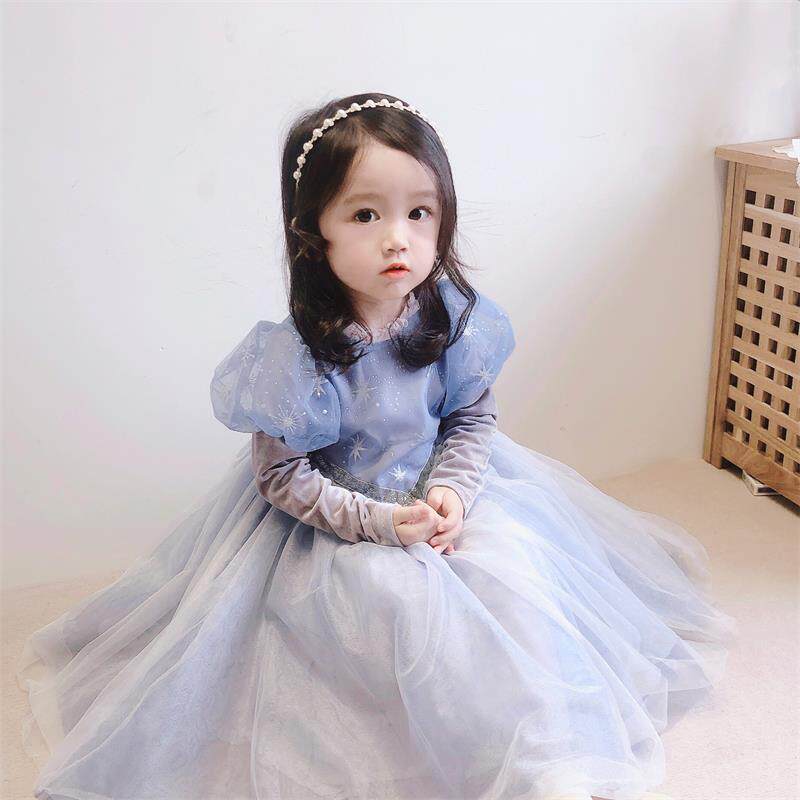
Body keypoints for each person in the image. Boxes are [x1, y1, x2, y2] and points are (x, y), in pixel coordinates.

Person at [16, 92, 737, 800]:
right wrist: (383, 523)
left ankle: (543, 754)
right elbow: (284, 478)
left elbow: (471, 419)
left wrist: (451, 492)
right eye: (365, 215)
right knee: (386, 606)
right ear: (314, 232)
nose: (398, 238)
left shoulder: (449, 319)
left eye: (419, 213)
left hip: (439, 489)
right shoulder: (296, 358)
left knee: (515, 572)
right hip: (335, 517)